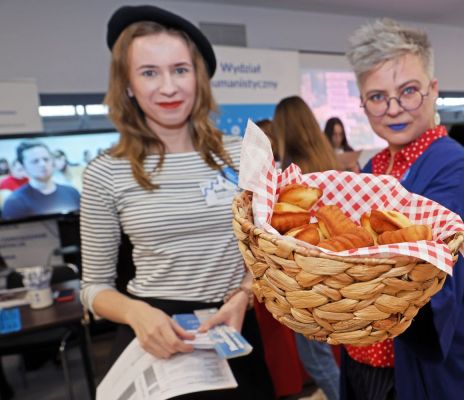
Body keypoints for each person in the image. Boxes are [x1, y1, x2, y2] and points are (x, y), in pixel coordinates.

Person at [79, 5, 275, 399]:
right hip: (154, 329)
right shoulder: (105, 173)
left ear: (198, 79)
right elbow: (93, 288)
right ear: (128, 85)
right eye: (149, 72)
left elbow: (270, 250)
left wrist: (245, 294)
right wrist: (137, 313)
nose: (168, 87)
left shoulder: (243, 155)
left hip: (234, 323)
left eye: (180, 70)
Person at [342, 19, 464, 399]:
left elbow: (432, 283)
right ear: (362, 101)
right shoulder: (375, 167)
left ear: (433, 90)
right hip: (362, 360)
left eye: (408, 91)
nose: (393, 109)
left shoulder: (450, 165)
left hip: (416, 371)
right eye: (376, 97)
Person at [272, 95, 341, 400]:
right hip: (334, 265)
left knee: (314, 356)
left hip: (307, 271)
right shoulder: (326, 159)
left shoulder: (291, 170)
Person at [2, 142, 80, 220]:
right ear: (23, 166)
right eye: (35, 161)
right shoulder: (14, 202)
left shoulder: (72, 192)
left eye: (46, 159)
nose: (43, 164)